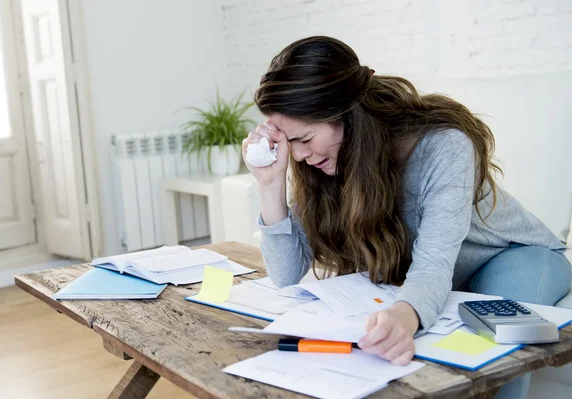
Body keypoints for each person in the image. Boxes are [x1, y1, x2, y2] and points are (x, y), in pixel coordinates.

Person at [241, 36, 571, 398]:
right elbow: (287, 276)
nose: (300, 156)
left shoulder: (443, 146)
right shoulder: (323, 166)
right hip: (443, 276)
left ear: (347, 116)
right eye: (291, 143)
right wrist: (270, 184)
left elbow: (433, 265)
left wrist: (405, 316)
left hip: (514, 256)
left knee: (500, 344)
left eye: (305, 138)